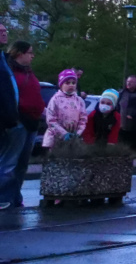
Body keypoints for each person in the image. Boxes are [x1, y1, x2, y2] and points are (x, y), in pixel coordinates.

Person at [4, 40, 44, 208]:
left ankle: (14, 196)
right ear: (19, 54)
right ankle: (3, 196)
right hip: (18, 120)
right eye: (30, 52)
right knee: (9, 162)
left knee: (22, 163)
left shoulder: (28, 72)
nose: (32, 55)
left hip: (32, 122)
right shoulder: (9, 72)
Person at [0, 22, 25, 210]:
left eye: (4, 31)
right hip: (4, 118)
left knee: (8, 162)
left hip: (9, 118)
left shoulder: (4, 58)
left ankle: (8, 197)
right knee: (6, 162)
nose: (4, 33)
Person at [43, 69, 87, 150]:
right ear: (61, 84)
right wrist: (64, 133)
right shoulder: (55, 99)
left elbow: (83, 119)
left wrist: (78, 133)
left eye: (73, 83)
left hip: (74, 137)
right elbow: (51, 120)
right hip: (56, 137)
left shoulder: (79, 101)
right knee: (55, 159)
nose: (71, 85)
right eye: (67, 83)